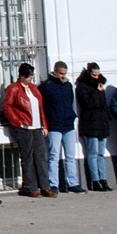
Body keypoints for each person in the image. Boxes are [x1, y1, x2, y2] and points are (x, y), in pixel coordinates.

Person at [2, 63, 52, 198]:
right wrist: (18, 122)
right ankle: (31, 187)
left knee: (41, 157)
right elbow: (7, 107)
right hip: (24, 128)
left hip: (37, 127)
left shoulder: (34, 89)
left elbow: (40, 108)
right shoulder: (13, 88)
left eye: (32, 75)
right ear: (22, 75)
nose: (31, 78)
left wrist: (44, 125)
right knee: (27, 158)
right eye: (29, 76)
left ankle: (45, 186)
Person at [41, 61, 83, 194]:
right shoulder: (46, 86)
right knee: (54, 155)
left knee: (70, 155)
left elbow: (71, 102)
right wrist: (46, 123)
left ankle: (73, 183)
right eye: (61, 74)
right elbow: (43, 107)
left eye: (64, 74)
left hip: (68, 124)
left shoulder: (68, 85)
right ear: (55, 71)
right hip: (54, 125)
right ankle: (53, 184)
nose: (63, 76)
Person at [75, 64, 112, 192]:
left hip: (102, 123)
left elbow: (103, 104)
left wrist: (108, 118)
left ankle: (104, 179)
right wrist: (97, 92)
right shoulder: (82, 86)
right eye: (94, 75)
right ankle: (95, 181)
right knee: (93, 153)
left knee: (101, 153)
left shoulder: (100, 85)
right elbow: (87, 104)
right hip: (90, 123)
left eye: (98, 75)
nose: (97, 77)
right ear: (89, 73)